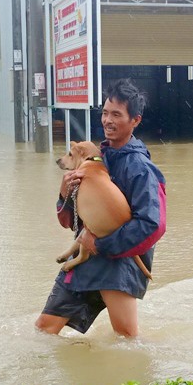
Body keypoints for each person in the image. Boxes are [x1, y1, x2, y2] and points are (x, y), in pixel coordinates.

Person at [35, 79, 167, 338]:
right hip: (84, 261)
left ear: (135, 121)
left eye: (117, 114)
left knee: (127, 339)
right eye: (105, 113)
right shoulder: (94, 157)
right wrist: (64, 195)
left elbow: (153, 225)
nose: (108, 120)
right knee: (44, 330)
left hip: (118, 265)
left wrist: (102, 244)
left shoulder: (140, 167)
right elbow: (72, 221)